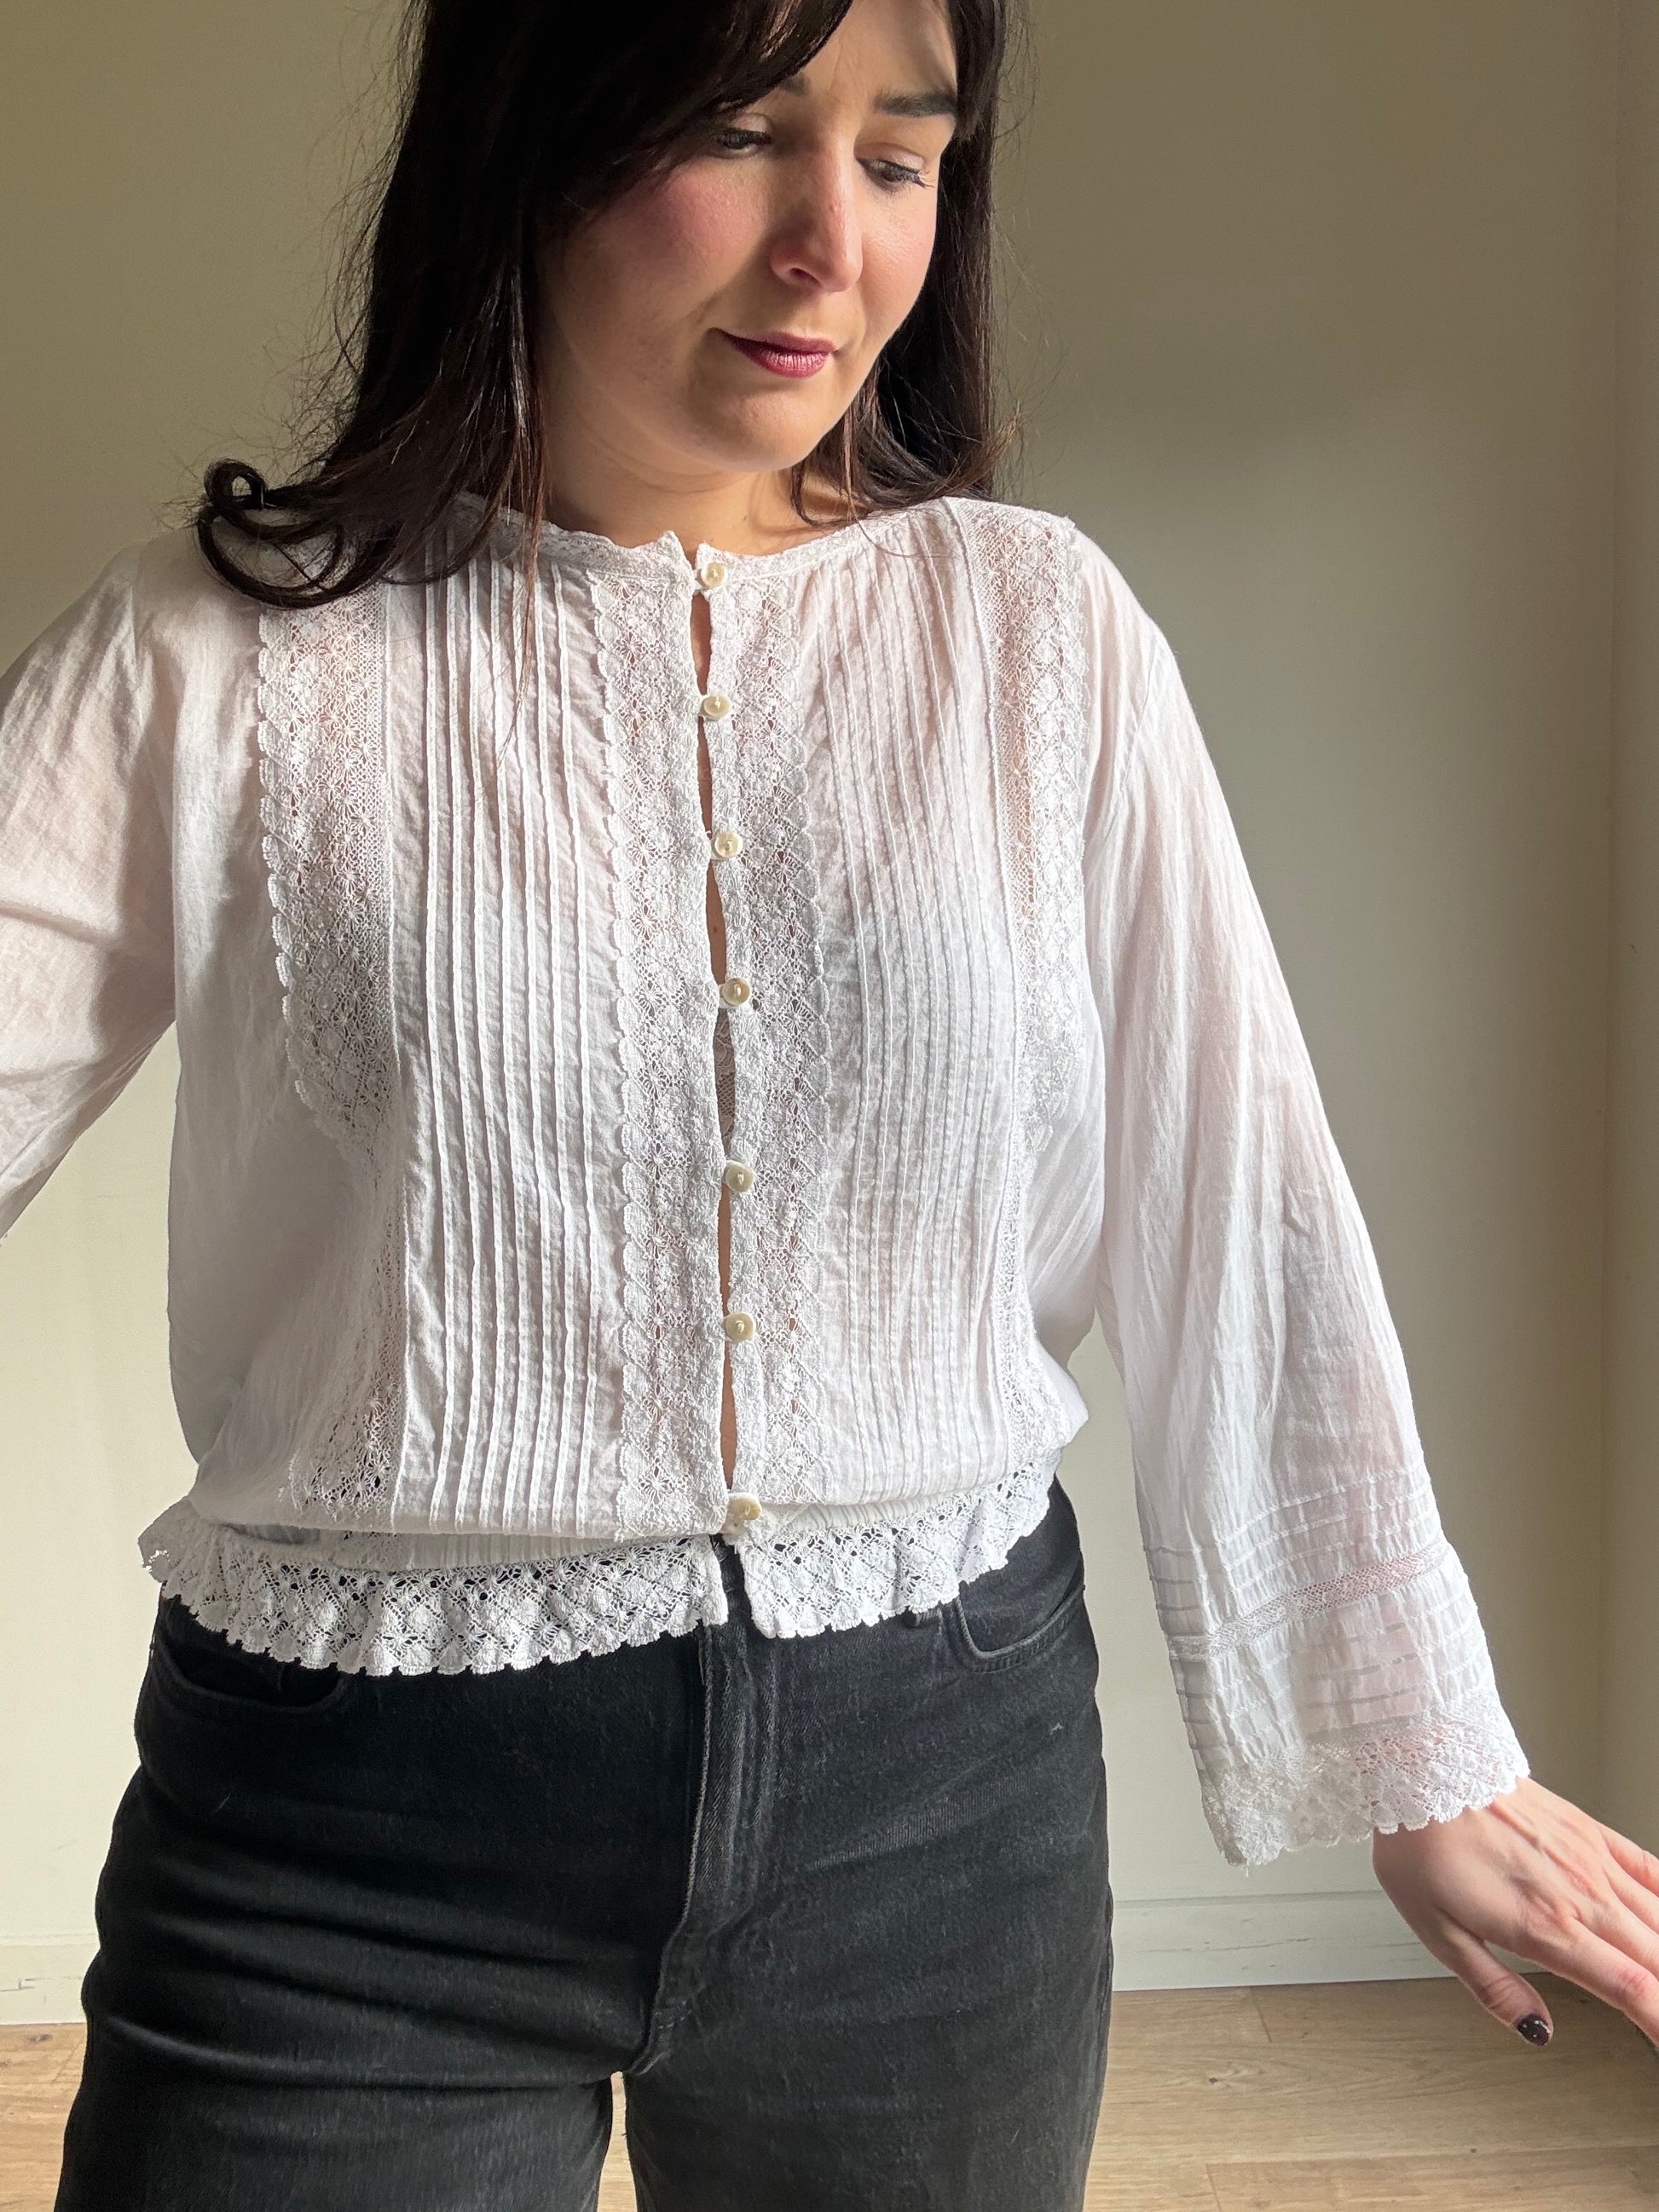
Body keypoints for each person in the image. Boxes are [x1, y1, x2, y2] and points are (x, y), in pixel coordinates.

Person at [3, 0, 1655, 2205]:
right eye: (742, 134)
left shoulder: (1037, 634)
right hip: (347, 1830)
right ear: (531, 146)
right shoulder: (221, 653)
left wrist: (1407, 1738)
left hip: (939, 1801)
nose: (832, 245)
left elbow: (1235, 1190)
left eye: (901, 156)